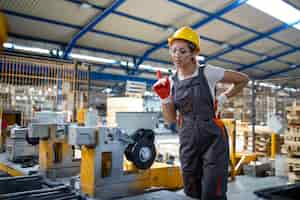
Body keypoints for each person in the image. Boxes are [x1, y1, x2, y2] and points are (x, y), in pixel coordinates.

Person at [152, 26, 249, 200]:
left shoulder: (208, 72)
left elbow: (243, 80)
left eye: (182, 51)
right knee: (191, 188)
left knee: (213, 190)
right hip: (188, 138)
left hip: (212, 137)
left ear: (193, 53)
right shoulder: (172, 82)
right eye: (173, 51)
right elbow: (170, 119)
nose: (177, 56)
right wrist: (165, 98)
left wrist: (224, 98)